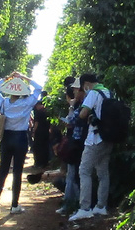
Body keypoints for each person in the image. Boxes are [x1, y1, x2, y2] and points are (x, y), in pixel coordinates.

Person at [0, 71, 43, 215]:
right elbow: (39, 88)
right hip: (20, 138)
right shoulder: (27, 103)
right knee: (17, 172)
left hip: (6, 137)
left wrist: (8, 77)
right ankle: (14, 205)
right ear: (21, 92)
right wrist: (24, 78)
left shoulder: (3, 102)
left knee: (3, 170)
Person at [69, 73, 113, 221]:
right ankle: (101, 206)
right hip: (108, 137)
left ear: (86, 84)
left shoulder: (93, 93)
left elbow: (82, 113)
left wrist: (85, 115)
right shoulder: (108, 92)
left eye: (82, 86)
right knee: (103, 172)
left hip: (95, 138)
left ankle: (85, 208)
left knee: (84, 171)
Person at [56, 79, 88, 215]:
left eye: (76, 89)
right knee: (72, 174)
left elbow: (71, 122)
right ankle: (72, 203)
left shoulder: (83, 104)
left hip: (78, 143)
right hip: (78, 143)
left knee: (74, 175)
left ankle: (74, 204)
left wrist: (71, 106)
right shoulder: (82, 103)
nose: (74, 92)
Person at [31, 92, 51, 168]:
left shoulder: (38, 113)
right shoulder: (47, 112)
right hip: (46, 132)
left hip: (39, 133)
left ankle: (38, 163)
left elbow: (36, 123)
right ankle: (45, 163)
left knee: (37, 148)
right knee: (45, 147)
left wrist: (33, 131)